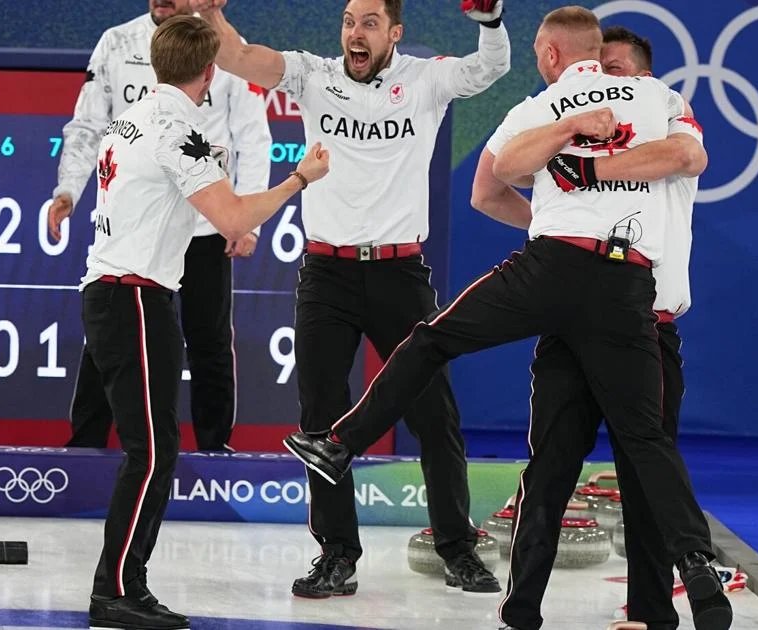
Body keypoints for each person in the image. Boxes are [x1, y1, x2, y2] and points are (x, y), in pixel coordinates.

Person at [282, 7, 730, 630]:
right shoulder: (662, 99)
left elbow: (501, 176)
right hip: (629, 293)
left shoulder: (541, 106)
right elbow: (688, 154)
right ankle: (694, 571)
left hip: (561, 275)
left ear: (548, 55)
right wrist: (576, 144)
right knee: (638, 447)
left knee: (442, 349)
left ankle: (342, 444)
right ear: (598, 55)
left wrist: (579, 162)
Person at [191, 0, 510, 596]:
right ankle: (337, 555)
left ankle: (457, 550)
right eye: (347, 22)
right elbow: (234, 56)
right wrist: (209, 11)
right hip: (326, 275)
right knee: (320, 416)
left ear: (395, 33)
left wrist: (489, 23)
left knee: (433, 414)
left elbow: (489, 68)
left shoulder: (424, 80)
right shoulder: (314, 75)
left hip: (400, 274)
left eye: (368, 24)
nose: (354, 34)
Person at [58, 16, 329, 629]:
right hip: (132, 296)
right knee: (151, 452)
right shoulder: (176, 127)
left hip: (116, 290)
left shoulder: (129, 119)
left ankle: (127, 584)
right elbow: (232, 218)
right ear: (210, 73)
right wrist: (298, 179)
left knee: (152, 449)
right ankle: (116, 591)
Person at [471, 25, 715, 630]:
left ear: (643, 76)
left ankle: (653, 613)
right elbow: (487, 188)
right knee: (550, 466)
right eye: (596, 71)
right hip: (574, 321)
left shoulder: (667, 117)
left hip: (649, 326)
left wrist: (588, 168)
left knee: (645, 472)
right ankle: (522, 605)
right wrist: (559, 240)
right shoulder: (580, 123)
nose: (604, 87)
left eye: (618, 72)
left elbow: (688, 158)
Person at [48, 0, 271, 452]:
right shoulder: (116, 42)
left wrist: (246, 224)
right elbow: (89, 124)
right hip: (137, 222)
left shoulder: (227, 49)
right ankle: (85, 446)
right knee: (109, 339)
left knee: (208, 337)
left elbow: (252, 136)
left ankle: (213, 447)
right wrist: (68, 188)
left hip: (205, 224)